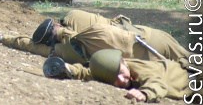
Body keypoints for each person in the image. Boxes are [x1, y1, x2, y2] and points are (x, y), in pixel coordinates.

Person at [0, 10, 189, 64]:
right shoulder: (77, 17)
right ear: (58, 24)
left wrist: (4, 39)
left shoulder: (68, 50)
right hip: (153, 35)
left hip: (147, 57)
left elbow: (32, 46)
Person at [43, 49, 192, 102]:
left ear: (124, 63)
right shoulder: (114, 68)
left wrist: (144, 93)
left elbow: (158, 84)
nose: (122, 79)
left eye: (121, 73)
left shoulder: (140, 70)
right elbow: (90, 72)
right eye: (115, 78)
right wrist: (69, 69)